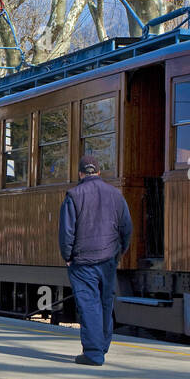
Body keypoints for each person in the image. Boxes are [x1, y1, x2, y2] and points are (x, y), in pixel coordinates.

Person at [58, 154, 133, 366]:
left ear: (81, 174)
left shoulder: (73, 195)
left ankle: (93, 352)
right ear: (99, 172)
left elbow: (66, 232)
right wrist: (119, 253)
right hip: (108, 259)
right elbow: (126, 228)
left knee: (89, 304)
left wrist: (67, 256)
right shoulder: (115, 195)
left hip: (82, 262)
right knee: (105, 303)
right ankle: (102, 345)